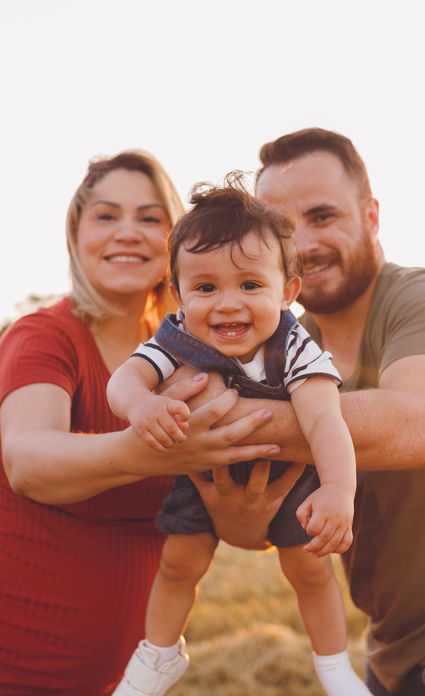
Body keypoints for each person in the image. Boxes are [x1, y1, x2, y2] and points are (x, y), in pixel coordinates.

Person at [183, 129, 425, 695]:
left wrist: (224, 425)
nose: (305, 243)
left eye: (323, 216)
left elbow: (421, 427)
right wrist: (239, 514)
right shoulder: (287, 347)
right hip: (392, 641)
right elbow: (262, 521)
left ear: (371, 215)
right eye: (283, 228)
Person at [0, 152, 287, 696]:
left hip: (113, 678)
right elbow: (29, 462)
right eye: (106, 216)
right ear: (76, 235)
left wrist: (245, 518)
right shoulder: (43, 337)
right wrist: (151, 451)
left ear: (178, 245)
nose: (127, 232)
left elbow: (232, 526)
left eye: (150, 218)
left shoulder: (200, 354)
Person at [107, 176, 370, 696]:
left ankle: (335, 669)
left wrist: (339, 489)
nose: (228, 304)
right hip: (202, 468)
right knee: (180, 564)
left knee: (311, 572)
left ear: (288, 293)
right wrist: (142, 405)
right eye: (206, 288)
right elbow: (126, 378)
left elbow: (323, 419)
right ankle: (158, 658)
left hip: (290, 478)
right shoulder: (177, 337)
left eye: (250, 285)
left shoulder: (294, 347)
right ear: (178, 295)